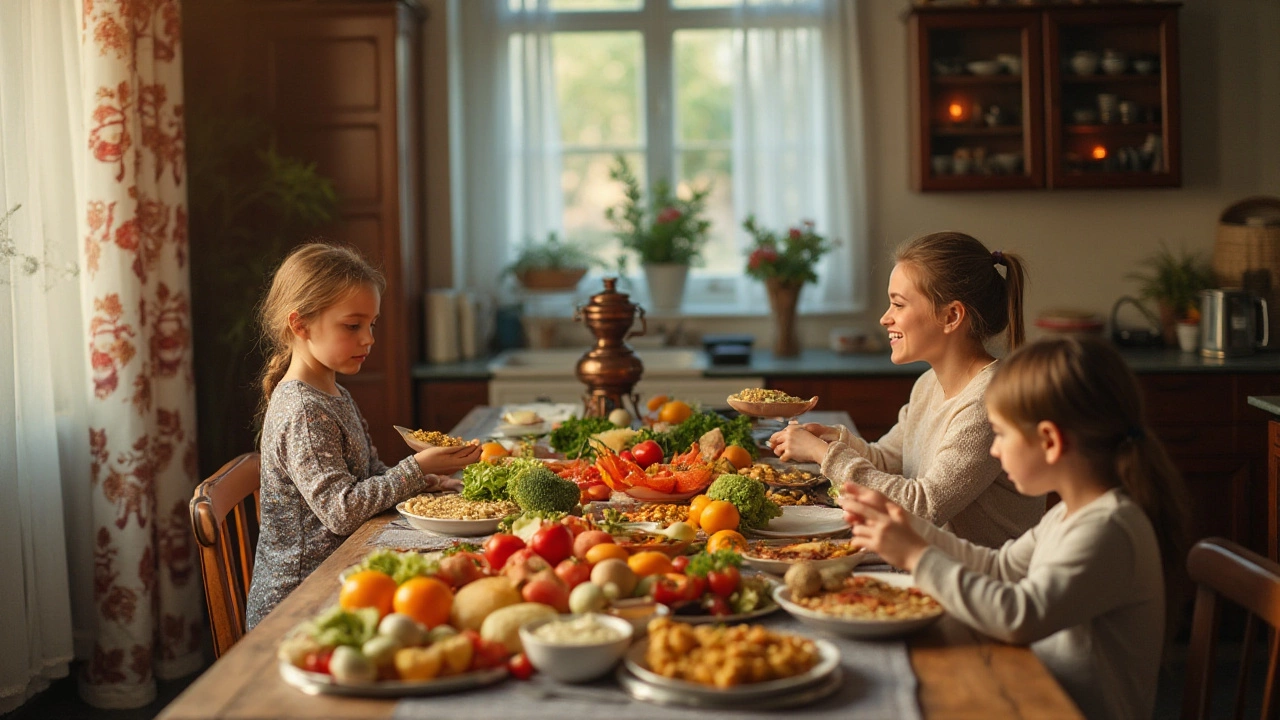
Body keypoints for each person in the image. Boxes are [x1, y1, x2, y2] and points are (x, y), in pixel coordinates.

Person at [840, 336, 1190, 720]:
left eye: (1002, 434)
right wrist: (904, 524)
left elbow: (1017, 616)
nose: (994, 449)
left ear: (1050, 442)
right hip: (1040, 691)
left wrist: (915, 554)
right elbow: (1000, 568)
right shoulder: (1070, 514)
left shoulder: (1109, 529)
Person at [245, 243, 479, 628]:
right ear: (300, 325)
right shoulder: (303, 410)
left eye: (371, 325)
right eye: (352, 326)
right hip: (300, 603)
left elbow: (369, 474)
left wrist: (426, 482)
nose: (368, 339)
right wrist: (415, 469)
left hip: (342, 574)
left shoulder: (333, 394)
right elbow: (341, 511)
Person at [770, 232, 1042, 547]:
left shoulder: (989, 402)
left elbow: (921, 507)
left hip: (982, 584)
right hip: (934, 565)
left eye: (898, 304)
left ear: (951, 316)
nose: (885, 318)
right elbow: (887, 460)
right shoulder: (927, 385)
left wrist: (823, 454)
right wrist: (836, 440)